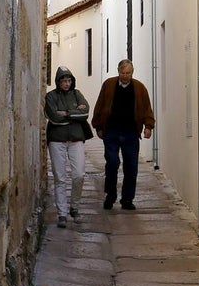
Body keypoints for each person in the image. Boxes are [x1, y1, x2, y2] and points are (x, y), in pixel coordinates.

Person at [90, 59, 155, 210]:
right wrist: (98, 126)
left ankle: (127, 199)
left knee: (131, 166)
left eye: (128, 73)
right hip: (112, 130)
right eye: (122, 73)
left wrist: (148, 126)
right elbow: (100, 105)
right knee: (112, 163)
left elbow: (146, 108)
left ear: (132, 72)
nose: (125, 76)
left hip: (131, 132)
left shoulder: (139, 88)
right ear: (118, 71)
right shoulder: (109, 85)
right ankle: (110, 195)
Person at [44, 66, 92, 228]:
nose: (66, 83)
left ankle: (75, 206)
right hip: (57, 140)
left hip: (76, 138)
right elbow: (54, 117)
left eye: (69, 80)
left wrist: (66, 113)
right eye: (63, 81)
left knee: (79, 174)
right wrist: (74, 114)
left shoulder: (77, 94)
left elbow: (85, 113)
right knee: (60, 177)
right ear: (58, 82)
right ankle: (62, 213)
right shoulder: (50, 96)